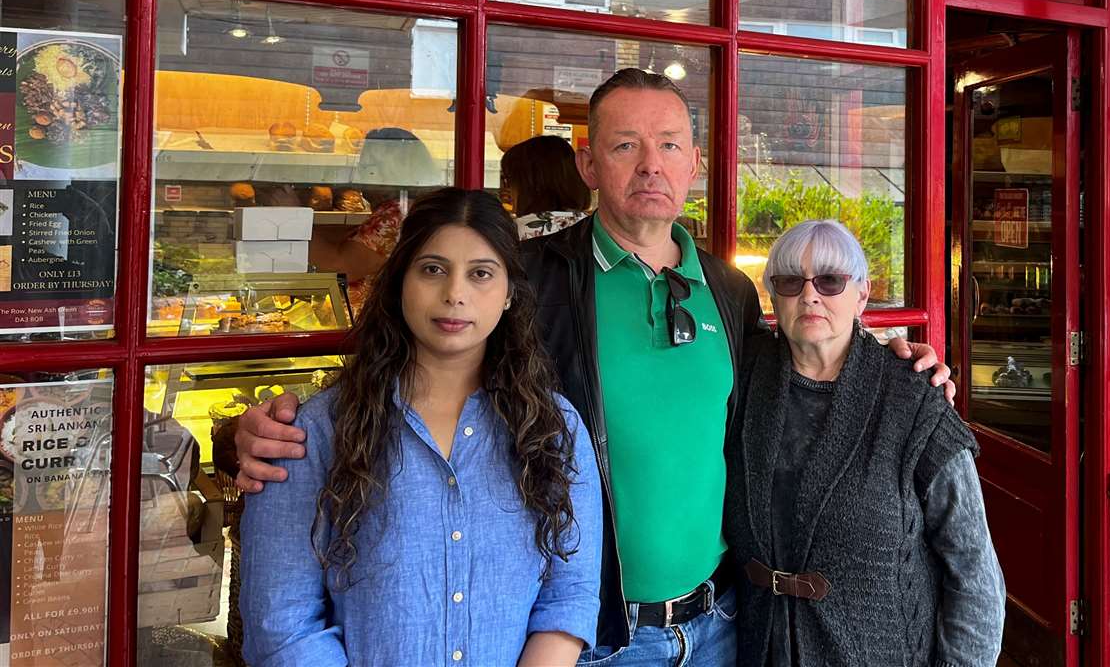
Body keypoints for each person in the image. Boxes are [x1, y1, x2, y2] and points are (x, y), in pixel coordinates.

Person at [228, 68, 952, 667]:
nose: (651, 166)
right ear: (587, 164)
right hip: (593, 636)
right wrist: (263, 427)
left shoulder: (729, 291)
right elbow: (424, 367)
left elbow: (802, 373)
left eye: (670, 145)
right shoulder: (532, 279)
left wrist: (890, 361)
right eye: (626, 145)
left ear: (695, 162)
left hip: (723, 623)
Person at [239, 187, 602, 667]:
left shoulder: (554, 428)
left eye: (480, 274)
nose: (455, 294)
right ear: (399, 282)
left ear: (510, 292)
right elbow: (281, 624)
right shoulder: (318, 431)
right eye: (433, 269)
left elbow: (568, 595)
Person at [728, 219, 1004, 667]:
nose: (810, 295)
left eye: (831, 280)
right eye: (790, 281)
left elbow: (973, 571)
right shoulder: (740, 380)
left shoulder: (913, 398)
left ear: (862, 294)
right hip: (756, 648)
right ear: (773, 295)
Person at [310, 126, 440, 305]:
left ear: (394, 171)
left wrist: (291, 218)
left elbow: (339, 267)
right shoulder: (414, 207)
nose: (361, 174)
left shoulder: (394, 214)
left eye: (369, 166)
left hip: (377, 321)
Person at [501, 133, 591, 240]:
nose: (506, 189)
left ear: (527, 185)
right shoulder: (595, 228)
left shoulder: (512, 234)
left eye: (507, 180)